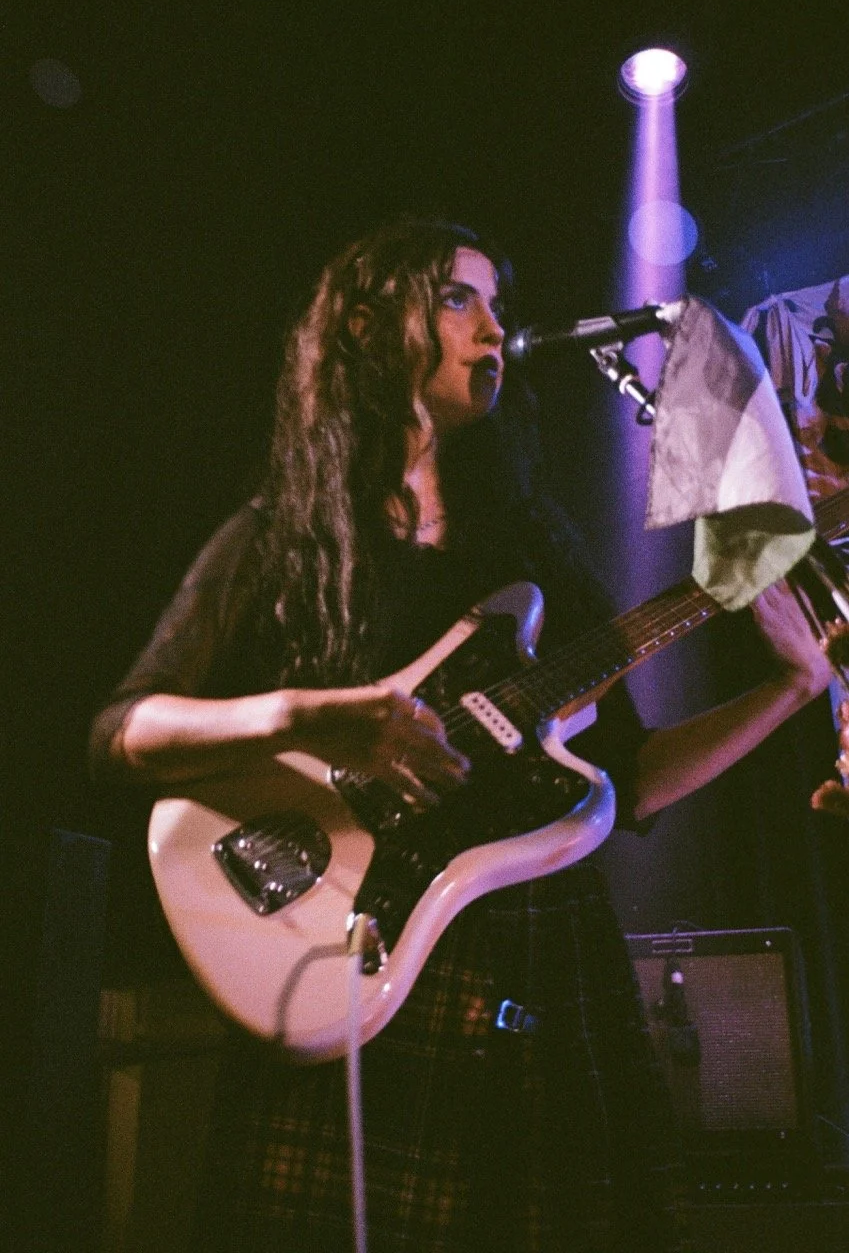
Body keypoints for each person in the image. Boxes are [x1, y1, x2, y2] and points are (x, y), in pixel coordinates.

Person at [89, 216, 832, 1253]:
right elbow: (124, 729)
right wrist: (321, 713)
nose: (493, 327)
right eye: (457, 297)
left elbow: (635, 785)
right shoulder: (281, 536)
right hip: (349, 960)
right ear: (361, 325)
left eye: (499, 304)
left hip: (538, 963)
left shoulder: (531, 544)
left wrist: (793, 689)